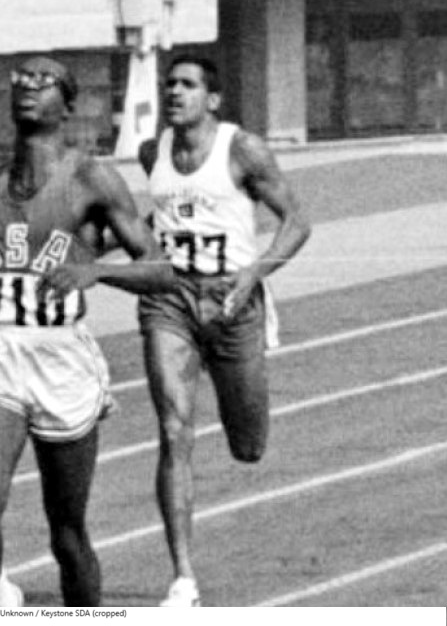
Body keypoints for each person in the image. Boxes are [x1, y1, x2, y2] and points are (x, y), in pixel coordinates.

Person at [0, 56, 173, 607]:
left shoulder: (91, 178)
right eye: (20, 80)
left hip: (61, 359)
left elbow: (161, 270)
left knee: (67, 532)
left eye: (43, 81)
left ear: (69, 103)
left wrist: (96, 271)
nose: (28, 87)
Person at [137, 55, 311, 607]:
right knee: (173, 430)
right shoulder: (153, 152)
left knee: (249, 445)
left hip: (233, 303)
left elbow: (297, 221)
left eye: (187, 85)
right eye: (169, 84)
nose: (174, 92)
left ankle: (246, 416)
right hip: (170, 300)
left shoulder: (244, 149)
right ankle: (183, 577)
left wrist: (256, 271)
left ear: (212, 99)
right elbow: (166, 216)